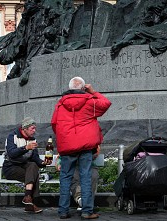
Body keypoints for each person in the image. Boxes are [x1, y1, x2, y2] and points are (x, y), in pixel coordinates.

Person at [51, 77, 111, 219]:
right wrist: (93, 91)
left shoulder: (60, 104)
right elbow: (106, 103)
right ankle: (87, 211)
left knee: (65, 178)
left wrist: (66, 139)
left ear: (70, 88)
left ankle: (63, 211)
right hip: (85, 146)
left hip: (67, 146)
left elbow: (54, 124)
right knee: (86, 177)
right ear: (83, 88)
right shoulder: (90, 102)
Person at [2, 117, 52, 214]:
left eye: (35, 128)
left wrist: (42, 163)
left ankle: (28, 199)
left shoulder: (33, 139)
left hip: (25, 167)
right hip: (11, 167)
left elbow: (35, 158)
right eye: (32, 128)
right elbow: (11, 153)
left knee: (33, 165)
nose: (34, 131)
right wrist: (25, 147)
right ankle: (31, 202)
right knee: (34, 175)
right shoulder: (12, 136)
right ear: (25, 129)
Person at [55, 145, 100, 212]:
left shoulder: (89, 142)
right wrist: (58, 163)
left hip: (88, 166)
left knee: (93, 175)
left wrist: (95, 152)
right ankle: (80, 200)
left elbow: (96, 152)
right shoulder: (68, 142)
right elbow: (59, 157)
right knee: (73, 175)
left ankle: (85, 203)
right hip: (73, 166)